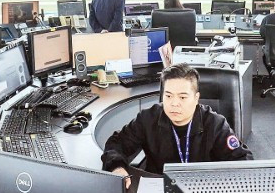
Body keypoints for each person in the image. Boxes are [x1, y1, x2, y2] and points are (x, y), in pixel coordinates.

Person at [102, 63, 252, 185]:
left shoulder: (215, 124)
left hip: (202, 190)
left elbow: (243, 161)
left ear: (196, 98)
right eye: (168, 96)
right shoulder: (148, 118)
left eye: (182, 97)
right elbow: (117, 144)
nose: (174, 103)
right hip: (158, 189)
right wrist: (117, 167)